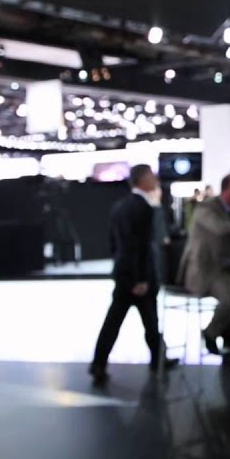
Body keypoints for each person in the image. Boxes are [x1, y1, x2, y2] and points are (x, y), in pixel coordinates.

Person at [90, 165, 177, 386]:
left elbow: (114, 244)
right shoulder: (143, 208)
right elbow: (138, 247)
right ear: (142, 180)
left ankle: (99, 364)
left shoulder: (119, 207)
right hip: (139, 277)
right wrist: (140, 279)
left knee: (117, 322)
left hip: (123, 274)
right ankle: (158, 360)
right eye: (151, 176)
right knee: (147, 319)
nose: (156, 179)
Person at [176, 173, 230, 354]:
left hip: (225, 269)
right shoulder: (206, 207)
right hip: (204, 270)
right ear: (225, 191)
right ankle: (211, 333)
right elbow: (220, 228)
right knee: (229, 300)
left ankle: (228, 341)